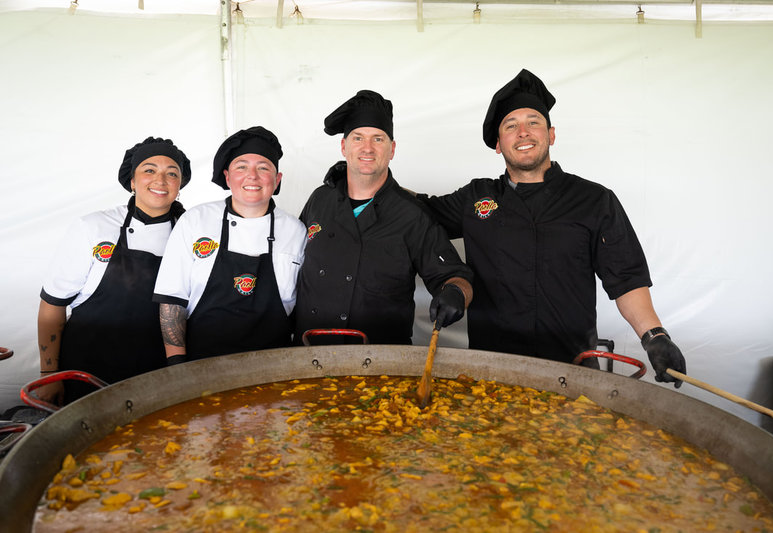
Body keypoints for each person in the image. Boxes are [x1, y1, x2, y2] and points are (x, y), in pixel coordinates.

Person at [419, 69, 686, 387]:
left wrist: (655, 336)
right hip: (491, 373)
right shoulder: (476, 197)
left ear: (552, 134)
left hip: (571, 372)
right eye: (510, 126)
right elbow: (414, 212)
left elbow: (626, 279)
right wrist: (373, 176)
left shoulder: (594, 200)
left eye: (533, 122)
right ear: (498, 144)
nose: (523, 132)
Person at [294, 90, 473, 345]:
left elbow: (454, 276)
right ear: (344, 147)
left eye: (378, 139)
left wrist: (455, 292)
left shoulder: (412, 214)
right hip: (308, 353)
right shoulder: (319, 200)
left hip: (383, 360)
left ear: (392, 149)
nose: (367, 148)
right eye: (358, 138)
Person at [38, 137, 192, 404]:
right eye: (149, 170)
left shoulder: (189, 233)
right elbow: (52, 305)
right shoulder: (94, 227)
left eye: (171, 173)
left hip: (157, 374)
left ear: (180, 185)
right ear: (132, 181)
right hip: (87, 371)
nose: (160, 180)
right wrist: (49, 374)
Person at [154, 126, 306, 364]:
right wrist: (176, 364)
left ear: (277, 180)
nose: (252, 176)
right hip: (202, 363)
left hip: (275, 364)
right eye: (241, 167)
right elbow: (172, 299)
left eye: (263, 168)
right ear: (227, 177)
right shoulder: (196, 221)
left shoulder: (295, 231)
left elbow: (303, 305)